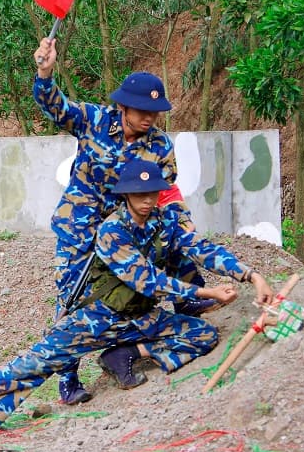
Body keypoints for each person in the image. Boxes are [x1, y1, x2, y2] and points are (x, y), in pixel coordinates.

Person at [0, 160, 274, 446]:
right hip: (97, 318)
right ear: (126, 195)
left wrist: (251, 275)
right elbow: (145, 279)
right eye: (139, 194)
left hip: (141, 318)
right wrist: (205, 293)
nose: (146, 200)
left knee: (202, 335)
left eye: (152, 194)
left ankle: (125, 355)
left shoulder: (165, 223)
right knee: (34, 363)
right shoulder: (112, 230)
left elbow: (202, 249)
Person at [32, 38, 207, 404]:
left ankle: (189, 304)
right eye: (142, 110)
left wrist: (183, 223)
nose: (149, 118)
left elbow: (166, 192)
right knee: (72, 298)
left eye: (154, 112)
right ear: (123, 105)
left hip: (127, 228)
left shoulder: (159, 146)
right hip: (78, 227)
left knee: (171, 241)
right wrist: (45, 73)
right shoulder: (95, 120)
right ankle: (68, 380)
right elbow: (56, 108)